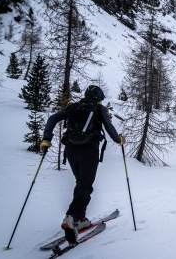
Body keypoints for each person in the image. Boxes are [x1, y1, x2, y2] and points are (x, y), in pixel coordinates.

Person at [40, 85, 125, 244]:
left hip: (71, 151)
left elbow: (52, 119)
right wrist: (119, 139)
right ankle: (72, 217)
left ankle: (80, 219)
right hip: (89, 151)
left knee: (81, 184)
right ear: (98, 98)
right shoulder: (99, 109)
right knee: (85, 185)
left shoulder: (73, 108)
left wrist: (46, 139)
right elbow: (109, 127)